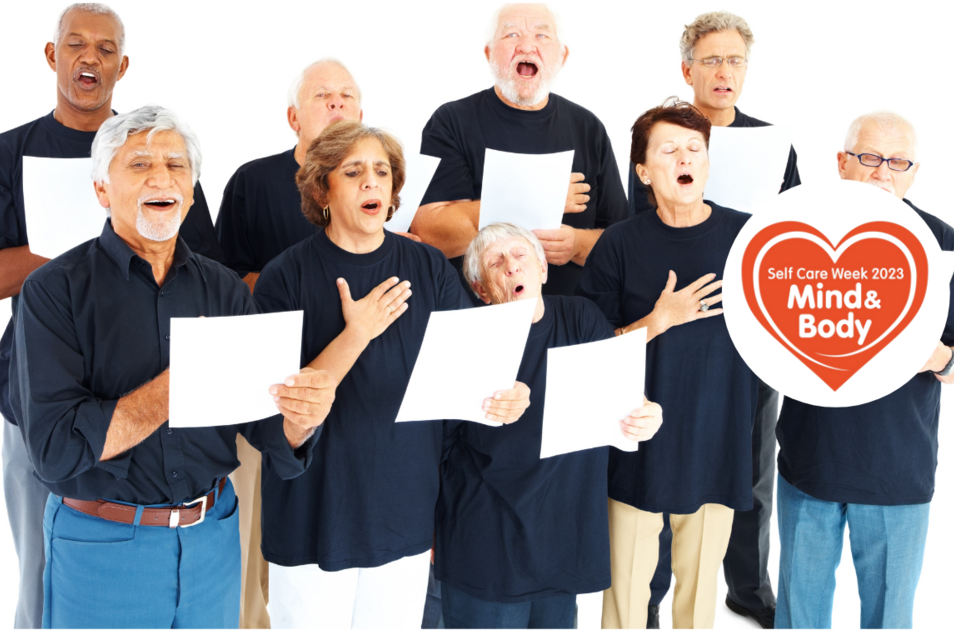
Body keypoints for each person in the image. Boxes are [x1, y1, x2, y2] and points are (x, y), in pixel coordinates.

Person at [0, 3, 222, 628]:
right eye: (75, 45)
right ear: (53, 55)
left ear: (123, 65)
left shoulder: (158, 154)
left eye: (104, 48)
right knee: (44, 581)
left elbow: (201, 272)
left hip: (155, 396)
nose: (88, 57)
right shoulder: (1, 157)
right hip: (44, 398)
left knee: (149, 576)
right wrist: (73, 252)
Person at [9, 105, 337, 629]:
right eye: (139, 164)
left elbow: (261, 422)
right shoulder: (53, 292)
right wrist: (182, 383)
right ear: (101, 189)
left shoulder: (226, 289)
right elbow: (56, 451)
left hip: (214, 541)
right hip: (103, 548)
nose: (161, 177)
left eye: (176, 166)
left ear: (190, 191)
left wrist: (300, 420)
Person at [253, 121, 531, 629]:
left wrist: (506, 397)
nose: (372, 183)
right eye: (354, 172)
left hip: (403, 513)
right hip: (314, 518)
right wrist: (356, 332)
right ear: (322, 190)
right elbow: (272, 416)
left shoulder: (428, 268)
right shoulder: (282, 278)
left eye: (382, 172)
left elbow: (468, 381)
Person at [774, 112, 954, 629]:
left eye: (898, 162)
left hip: (899, 473)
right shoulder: (797, 230)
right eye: (869, 158)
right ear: (842, 163)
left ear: (914, 172)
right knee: (799, 617)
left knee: (890, 621)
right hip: (811, 463)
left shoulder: (942, 243)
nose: (882, 173)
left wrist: (936, 357)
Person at [636, 12, 798, 629]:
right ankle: (648, 593)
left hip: (748, 328)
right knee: (659, 454)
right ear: (687, 70)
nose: (724, 72)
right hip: (674, 321)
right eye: (711, 60)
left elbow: (794, 233)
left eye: (735, 61)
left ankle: (749, 589)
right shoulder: (658, 135)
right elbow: (636, 227)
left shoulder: (774, 145)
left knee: (753, 460)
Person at [577, 99, 757, 630]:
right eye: (670, 148)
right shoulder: (618, 244)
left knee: (699, 606)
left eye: (695, 148)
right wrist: (659, 319)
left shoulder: (749, 240)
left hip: (717, 440)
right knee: (626, 605)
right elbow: (590, 353)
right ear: (643, 170)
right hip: (635, 443)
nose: (686, 158)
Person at [436, 223, 663, 629]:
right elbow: (436, 446)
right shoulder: (465, 339)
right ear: (481, 290)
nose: (511, 267)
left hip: (559, 538)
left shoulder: (581, 316)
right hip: (486, 541)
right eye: (495, 261)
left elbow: (620, 398)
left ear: (542, 270)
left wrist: (645, 414)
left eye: (521, 255)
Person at [214, 57, 364, 630]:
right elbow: (221, 280)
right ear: (292, 117)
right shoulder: (253, 181)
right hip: (266, 387)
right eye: (323, 95)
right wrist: (286, 284)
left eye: (347, 96)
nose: (336, 103)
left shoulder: (380, 185)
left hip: (357, 382)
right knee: (253, 525)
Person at [412, 3, 630, 298]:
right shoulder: (451, 122)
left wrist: (577, 244)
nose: (527, 46)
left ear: (562, 56)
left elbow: (623, 243)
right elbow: (431, 234)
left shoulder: (588, 128)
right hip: (477, 318)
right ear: (489, 53)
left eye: (542, 36)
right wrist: (542, 196)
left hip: (571, 323)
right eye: (511, 34)